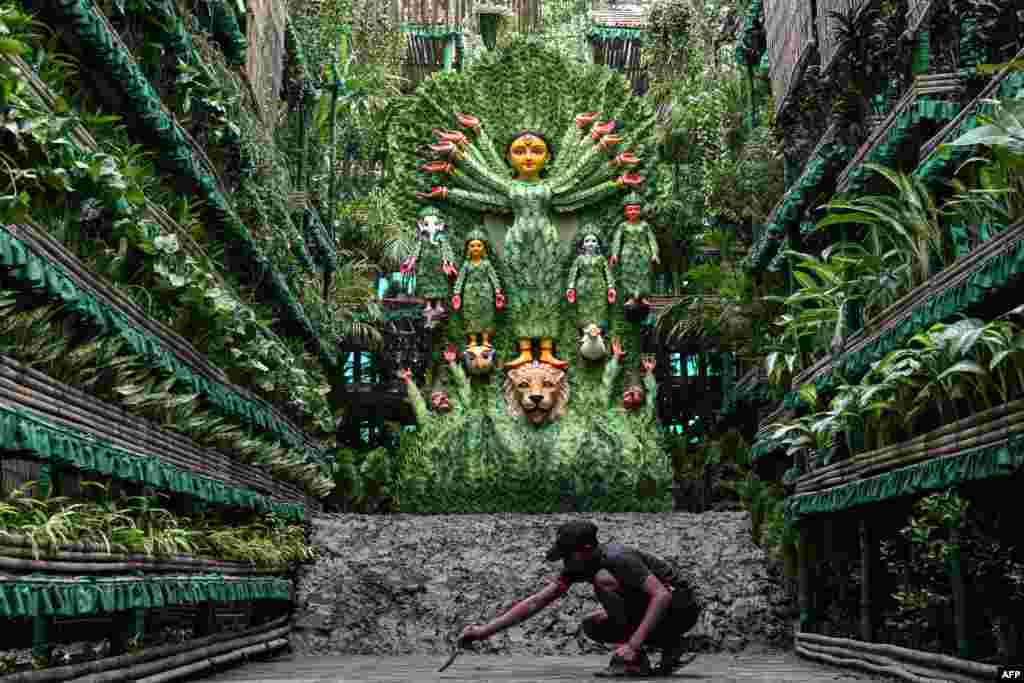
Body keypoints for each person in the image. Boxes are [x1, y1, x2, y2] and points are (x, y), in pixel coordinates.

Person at [459, 520, 701, 677]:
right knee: (593, 624)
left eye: (567, 556)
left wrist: (633, 645)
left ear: (586, 550)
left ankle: (639, 656)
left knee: (603, 581)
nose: (565, 562)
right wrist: (483, 632)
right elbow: (536, 602)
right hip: (657, 608)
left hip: (681, 607)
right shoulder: (579, 565)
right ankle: (669, 645)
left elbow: (661, 595)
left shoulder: (617, 558)